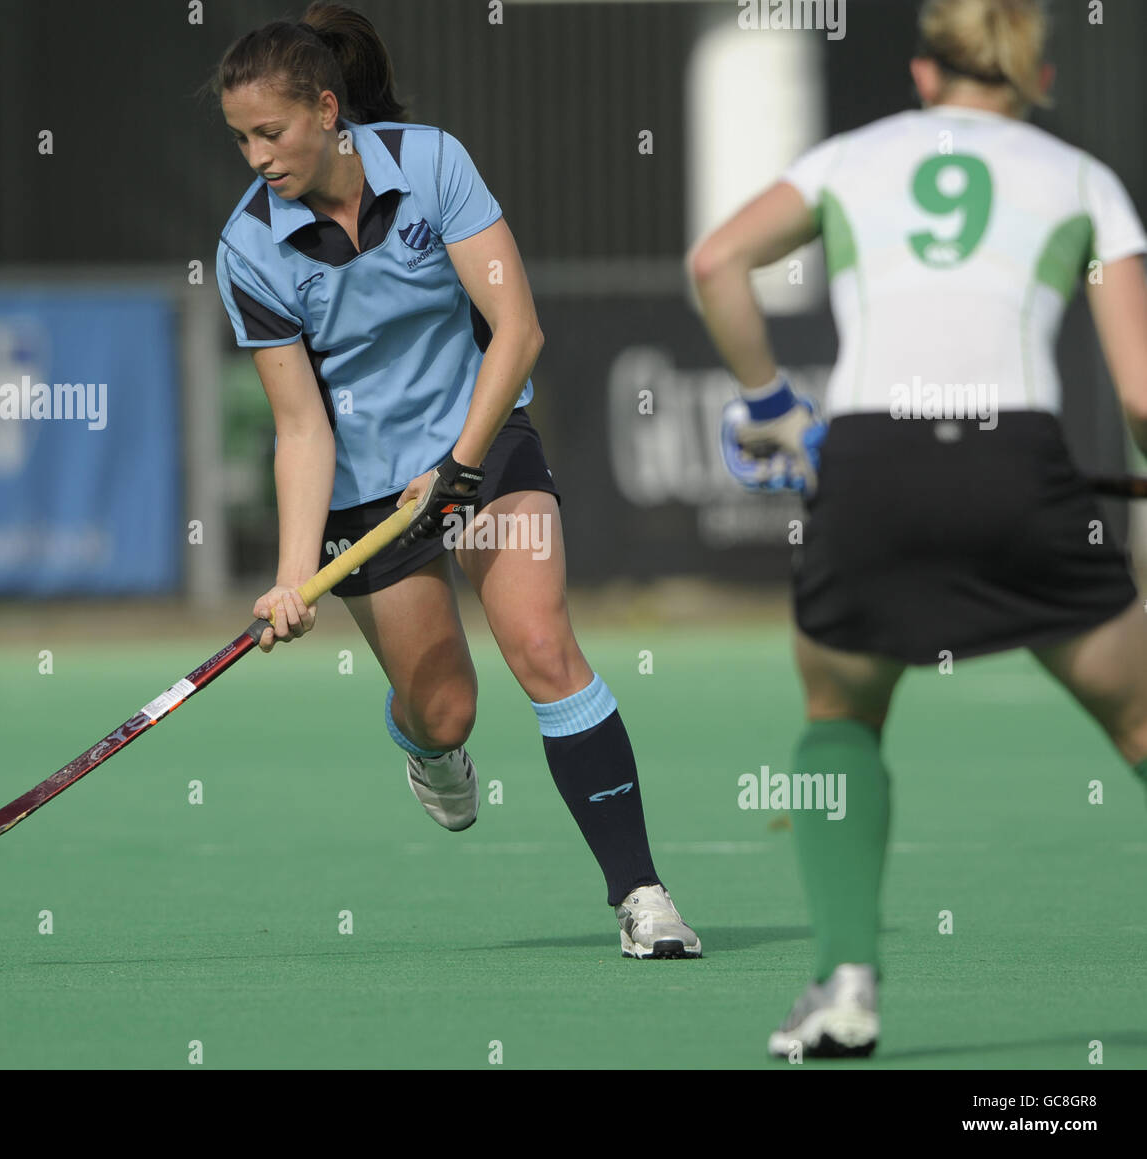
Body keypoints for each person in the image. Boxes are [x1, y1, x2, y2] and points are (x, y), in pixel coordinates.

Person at [688, 0, 1147, 1054]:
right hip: (1014, 465)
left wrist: (769, 404)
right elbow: (1138, 398)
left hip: (870, 467)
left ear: (924, 77)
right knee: (1133, 723)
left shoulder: (852, 155)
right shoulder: (1083, 178)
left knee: (838, 713)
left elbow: (716, 262)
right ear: (1034, 81)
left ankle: (846, 983)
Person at [213, 3, 700, 959]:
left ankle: (642, 894)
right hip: (362, 494)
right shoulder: (248, 249)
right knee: (446, 708)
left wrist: (461, 463)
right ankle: (426, 751)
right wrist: (285, 575)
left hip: (481, 440)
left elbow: (516, 329)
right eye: (239, 140)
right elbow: (301, 426)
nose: (257, 157)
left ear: (325, 108)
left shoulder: (432, 163)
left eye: (270, 132)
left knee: (541, 643)